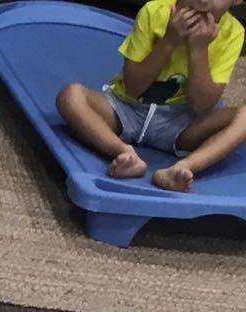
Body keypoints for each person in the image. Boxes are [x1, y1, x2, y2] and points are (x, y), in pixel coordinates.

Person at [55, 0, 245, 191]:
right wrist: (169, 41)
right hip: (126, 108)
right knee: (70, 96)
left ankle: (183, 167)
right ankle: (124, 153)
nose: (204, 0)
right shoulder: (154, 12)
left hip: (180, 121)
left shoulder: (233, 33)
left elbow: (203, 106)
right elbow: (133, 88)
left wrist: (199, 49)